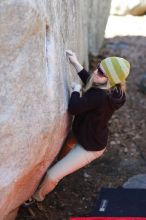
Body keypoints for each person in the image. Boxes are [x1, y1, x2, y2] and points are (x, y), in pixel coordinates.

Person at [32, 50, 130, 202]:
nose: (96, 72)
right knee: (66, 151)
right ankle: (63, 163)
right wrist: (75, 62)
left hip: (90, 147)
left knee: (52, 175)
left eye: (102, 73)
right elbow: (92, 80)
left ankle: (37, 197)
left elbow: (74, 108)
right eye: (98, 67)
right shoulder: (115, 92)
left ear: (110, 80)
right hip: (85, 133)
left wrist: (76, 91)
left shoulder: (99, 97)